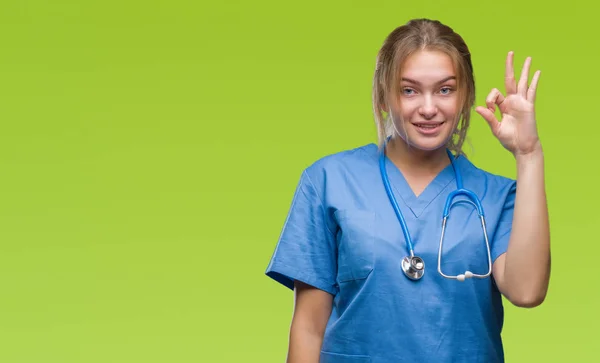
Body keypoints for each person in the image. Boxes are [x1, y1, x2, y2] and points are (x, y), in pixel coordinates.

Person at [265, 18, 551, 363]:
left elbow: (527, 291)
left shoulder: (496, 196)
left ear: (464, 97)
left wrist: (528, 154)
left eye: (445, 89)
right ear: (384, 96)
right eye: (409, 90)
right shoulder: (328, 181)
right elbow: (309, 328)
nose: (428, 108)